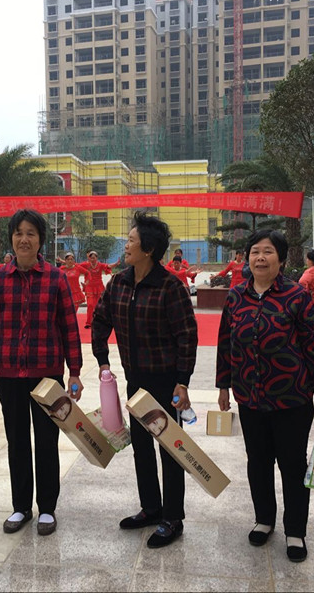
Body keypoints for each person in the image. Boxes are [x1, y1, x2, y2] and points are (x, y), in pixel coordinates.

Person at [216, 229, 314, 563]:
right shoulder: (236, 296)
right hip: (250, 397)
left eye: (268, 251)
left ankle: (295, 530)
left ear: (281, 260)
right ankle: (264, 519)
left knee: (292, 465)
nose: (260, 258)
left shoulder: (296, 296)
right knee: (257, 462)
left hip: (291, 399)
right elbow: (226, 343)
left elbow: (313, 344)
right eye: (255, 251)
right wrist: (223, 385)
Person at [0, 209, 84, 537]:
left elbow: (69, 327)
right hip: (8, 374)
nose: (24, 239)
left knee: (47, 442)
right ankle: (21, 506)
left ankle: (47, 507)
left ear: (40, 240)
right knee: (18, 441)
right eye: (19, 233)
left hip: (47, 375)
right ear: (12, 238)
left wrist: (75, 372)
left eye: (31, 233)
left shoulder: (56, 279)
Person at [92, 212, 198, 549]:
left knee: (170, 450)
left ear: (148, 249)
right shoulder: (119, 284)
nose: (126, 246)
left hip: (166, 383)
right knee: (141, 447)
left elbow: (187, 336)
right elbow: (99, 320)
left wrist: (183, 381)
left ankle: (173, 517)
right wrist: (103, 360)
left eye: (131, 241)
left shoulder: (170, 287)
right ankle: (151, 508)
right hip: (135, 381)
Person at [80, 251, 120, 329]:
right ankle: (88, 322)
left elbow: (108, 266)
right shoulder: (86, 265)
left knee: (99, 306)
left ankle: (98, 321)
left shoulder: (100, 265)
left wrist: (116, 264)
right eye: (91, 258)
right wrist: (63, 262)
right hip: (89, 287)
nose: (92, 259)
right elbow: (75, 266)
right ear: (89, 258)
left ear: (97, 258)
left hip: (99, 287)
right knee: (90, 305)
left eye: (94, 258)